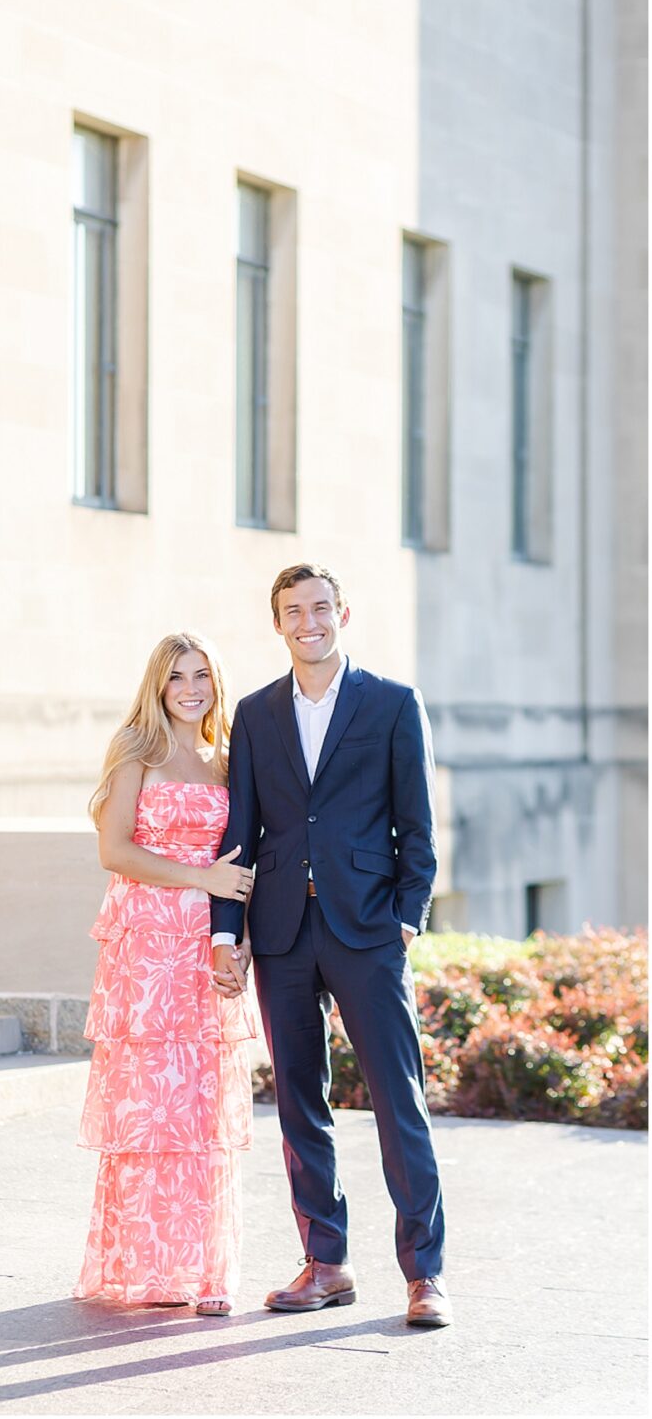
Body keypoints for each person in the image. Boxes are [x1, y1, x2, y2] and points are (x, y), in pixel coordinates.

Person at [210, 563, 451, 1329]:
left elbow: (417, 826)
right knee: (297, 1103)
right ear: (276, 623)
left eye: (319, 607)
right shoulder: (253, 714)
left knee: (396, 1098)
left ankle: (425, 1274)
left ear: (343, 613)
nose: (306, 621)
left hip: (368, 927)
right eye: (291, 611)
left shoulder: (390, 703)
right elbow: (237, 831)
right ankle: (326, 1262)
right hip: (280, 930)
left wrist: (406, 916)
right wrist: (227, 929)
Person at [74, 632, 256, 1315]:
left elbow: (242, 863)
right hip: (145, 947)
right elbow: (114, 850)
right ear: (157, 685)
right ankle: (144, 1269)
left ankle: (206, 1273)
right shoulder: (135, 750)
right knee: (151, 1108)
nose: (189, 688)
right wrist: (196, 875)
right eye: (176, 676)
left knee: (203, 1106)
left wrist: (237, 942)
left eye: (201, 675)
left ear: (215, 683)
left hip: (207, 944)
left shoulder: (230, 761)